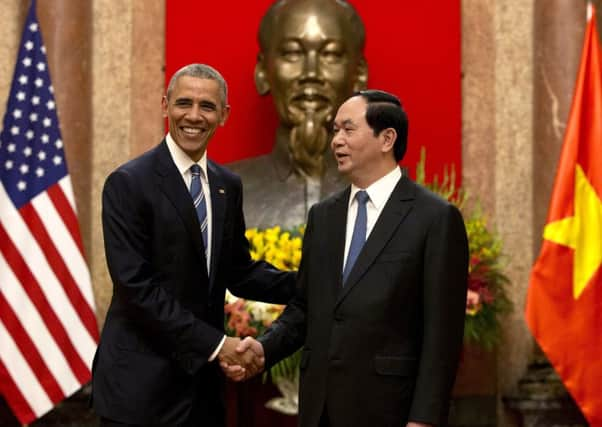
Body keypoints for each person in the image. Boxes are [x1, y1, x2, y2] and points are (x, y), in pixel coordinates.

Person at [226, 90, 469, 426]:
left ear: (386, 139)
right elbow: (306, 308)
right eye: (335, 130)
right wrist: (264, 350)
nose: (335, 141)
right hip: (319, 409)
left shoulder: (434, 218)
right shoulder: (324, 216)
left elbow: (442, 333)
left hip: (390, 410)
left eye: (347, 130)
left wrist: (424, 418)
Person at [91, 63, 295, 427]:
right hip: (140, 392)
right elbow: (137, 288)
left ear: (224, 115)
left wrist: (315, 280)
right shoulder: (128, 183)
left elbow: (238, 271)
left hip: (200, 395)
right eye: (184, 103)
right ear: (165, 105)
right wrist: (219, 346)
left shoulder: (226, 184)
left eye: (207, 106)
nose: (194, 116)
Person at [228, 0, 368, 229]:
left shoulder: (395, 194)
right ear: (262, 72)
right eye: (292, 53)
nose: (310, 73)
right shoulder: (222, 194)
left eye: (330, 54)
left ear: (359, 74)